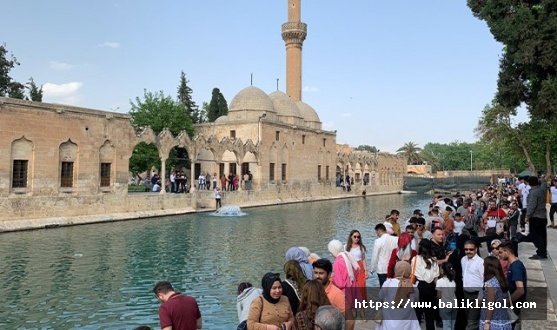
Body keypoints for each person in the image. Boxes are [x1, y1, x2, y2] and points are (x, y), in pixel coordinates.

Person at [312, 259, 354, 330]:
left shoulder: (337, 294)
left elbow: (350, 320)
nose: (317, 276)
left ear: (329, 274)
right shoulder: (312, 289)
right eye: (315, 273)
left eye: (321, 273)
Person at [376, 261, 420, 330]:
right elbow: (416, 303)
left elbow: (380, 297)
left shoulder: (388, 284)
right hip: (407, 324)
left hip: (388, 322)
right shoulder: (413, 288)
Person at [411, 239, 440, 330]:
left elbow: (413, 273)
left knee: (417, 314)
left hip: (420, 287)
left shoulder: (415, 259)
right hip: (431, 288)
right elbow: (436, 278)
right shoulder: (434, 260)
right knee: (430, 314)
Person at [517, 176, 548, 259]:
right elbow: (544, 182)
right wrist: (542, 179)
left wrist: (527, 216)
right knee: (542, 235)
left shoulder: (534, 192)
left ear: (529, 183)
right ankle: (543, 251)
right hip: (543, 216)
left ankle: (541, 253)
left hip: (535, 217)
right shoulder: (542, 189)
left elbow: (532, 205)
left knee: (537, 236)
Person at [478, 256, 512, 330]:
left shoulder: (490, 283)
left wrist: (487, 322)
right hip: (504, 318)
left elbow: (491, 304)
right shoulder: (502, 280)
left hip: (493, 322)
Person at [498, 241, 526, 328]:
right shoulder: (514, 265)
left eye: (501, 252)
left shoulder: (516, 267)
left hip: (515, 304)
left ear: (508, 252)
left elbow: (520, 290)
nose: (499, 255)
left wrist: (507, 302)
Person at [327, 239, 360, 305]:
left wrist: (331, 280)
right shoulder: (347, 256)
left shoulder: (337, 262)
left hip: (345, 292)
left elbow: (340, 283)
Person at [344, 229, 368, 319]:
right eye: (355, 236)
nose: (357, 238)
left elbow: (364, 259)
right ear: (351, 237)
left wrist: (366, 271)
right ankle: (354, 311)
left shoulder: (361, 247)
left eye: (358, 237)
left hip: (360, 269)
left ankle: (363, 313)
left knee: (361, 290)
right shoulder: (346, 247)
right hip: (350, 269)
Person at [461, 240, 484, 330]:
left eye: (471, 249)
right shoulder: (463, 259)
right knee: (469, 318)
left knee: (472, 320)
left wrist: (480, 298)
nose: (468, 251)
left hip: (477, 294)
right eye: (466, 249)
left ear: (476, 249)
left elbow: (484, 281)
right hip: (466, 293)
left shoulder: (480, 262)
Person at [436, 262, 456, 330]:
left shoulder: (439, 281)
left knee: (446, 324)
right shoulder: (453, 280)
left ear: (442, 270)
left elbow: (439, 295)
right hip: (454, 304)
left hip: (444, 305)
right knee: (452, 324)